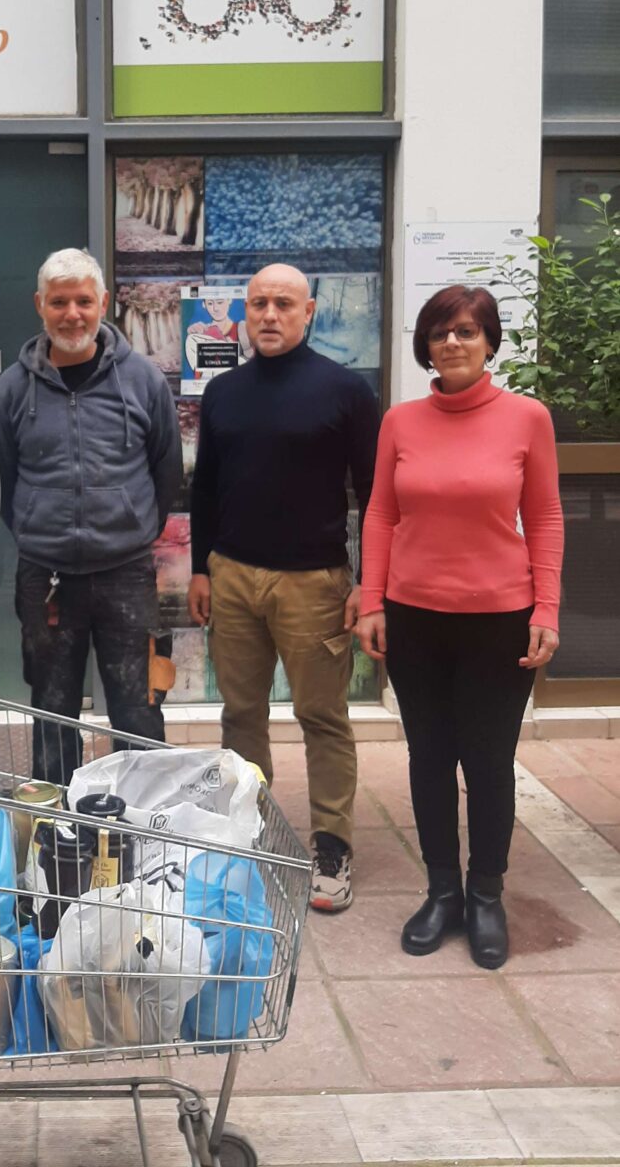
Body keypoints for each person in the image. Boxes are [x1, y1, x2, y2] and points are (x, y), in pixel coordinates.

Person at [357, 285, 563, 969]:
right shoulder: (400, 422)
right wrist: (372, 600)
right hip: (414, 618)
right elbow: (380, 514)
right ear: (425, 344)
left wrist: (547, 608)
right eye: (440, 332)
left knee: (488, 761)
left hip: (500, 620)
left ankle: (486, 896)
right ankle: (442, 891)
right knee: (429, 757)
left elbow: (546, 516)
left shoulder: (527, 418)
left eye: (467, 331)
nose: (452, 342)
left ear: (490, 342)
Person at [188, 263, 379, 913]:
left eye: (283, 304)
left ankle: (332, 847)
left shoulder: (346, 391)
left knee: (322, 716)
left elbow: (375, 496)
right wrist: (199, 568)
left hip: (315, 583)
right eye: (258, 303)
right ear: (245, 311)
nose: (269, 314)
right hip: (232, 575)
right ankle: (249, 831)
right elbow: (205, 488)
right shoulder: (223, 393)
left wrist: (369, 582)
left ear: (309, 311)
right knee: (240, 713)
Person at [0, 248, 181, 783]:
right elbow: (2, 478)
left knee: (138, 712)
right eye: (59, 302)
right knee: (53, 713)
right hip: (45, 579)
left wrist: (130, 529)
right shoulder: (12, 388)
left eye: (83, 301)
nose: (72, 314)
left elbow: (167, 470)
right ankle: (57, 827)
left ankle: (143, 824)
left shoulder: (143, 379)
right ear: (39, 306)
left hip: (127, 575)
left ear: (103, 303)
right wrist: (40, 529)